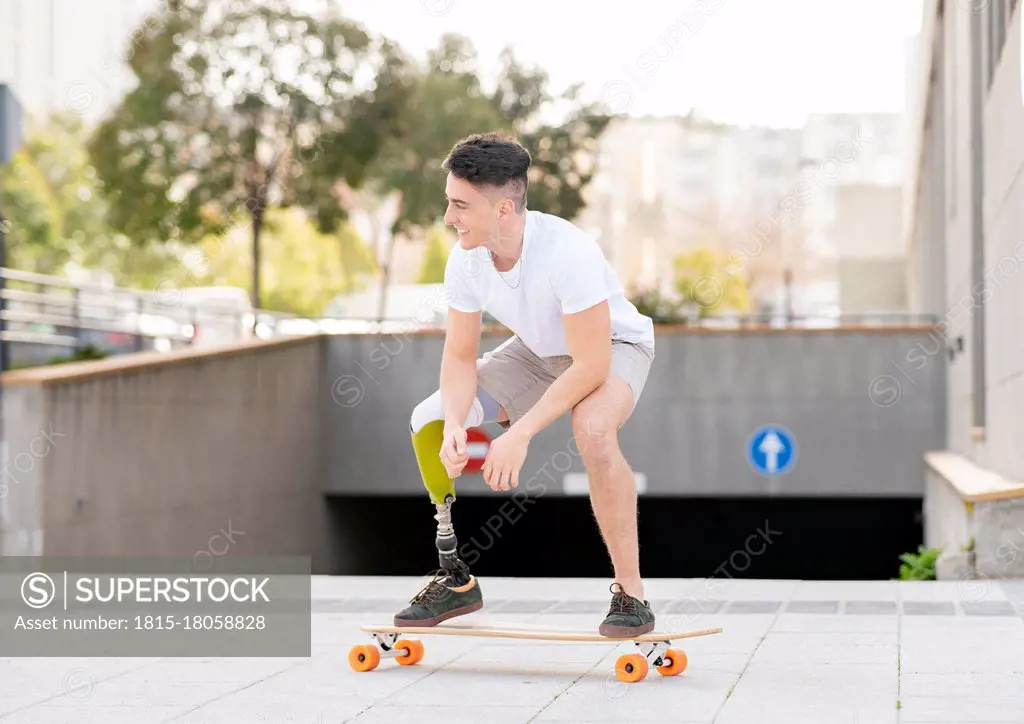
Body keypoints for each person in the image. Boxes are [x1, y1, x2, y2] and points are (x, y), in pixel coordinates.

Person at [396, 131, 657, 637]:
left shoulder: (568, 253)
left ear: (504, 210)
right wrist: (456, 423)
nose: (449, 217)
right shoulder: (465, 258)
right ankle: (454, 576)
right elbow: (459, 354)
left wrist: (518, 434)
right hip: (536, 353)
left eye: (460, 205)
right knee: (427, 420)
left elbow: (590, 364)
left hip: (612, 348)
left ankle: (631, 595)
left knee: (595, 429)